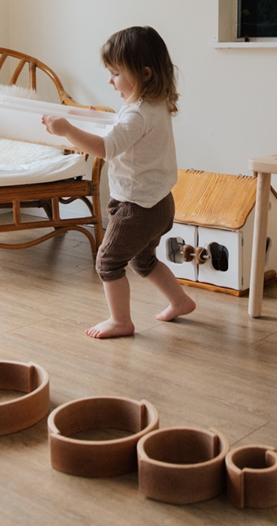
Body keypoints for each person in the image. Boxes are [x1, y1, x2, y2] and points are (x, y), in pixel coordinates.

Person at [42, 26, 195, 338]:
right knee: (144, 260)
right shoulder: (154, 105)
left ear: (144, 74)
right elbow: (123, 135)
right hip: (159, 203)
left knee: (108, 262)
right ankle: (179, 301)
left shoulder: (136, 115)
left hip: (137, 207)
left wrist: (67, 130)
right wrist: (88, 123)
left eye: (115, 73)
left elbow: (105, 148)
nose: (110, 81)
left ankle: (120, 321)